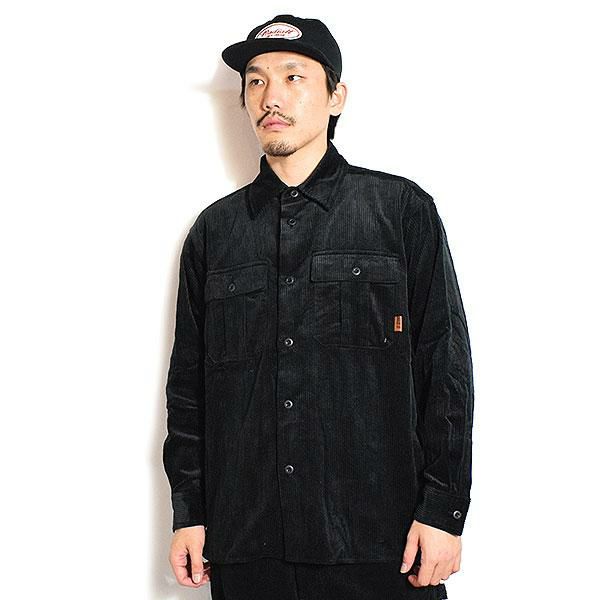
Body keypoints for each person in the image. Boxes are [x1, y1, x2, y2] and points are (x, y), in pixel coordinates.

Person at [162, 14, 475, 600]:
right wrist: (189, 511)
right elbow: (188, 391)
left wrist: (443, 511)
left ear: (336, 97)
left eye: (293, 77)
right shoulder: (214, 233)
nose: (270, 97)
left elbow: (446, 370)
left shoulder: (400, 211)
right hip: (248, 545)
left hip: (382, 545)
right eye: (256, 81)